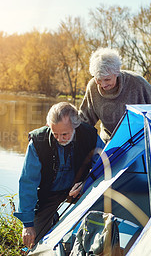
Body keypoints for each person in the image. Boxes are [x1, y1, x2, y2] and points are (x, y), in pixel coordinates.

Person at [14, 102, 105, 249]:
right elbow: (27, 183)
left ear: (75, 126)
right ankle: (51, 219)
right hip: (48, 194)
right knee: (32, 243)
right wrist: (27, 224)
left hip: (79, 191)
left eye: (65, 134)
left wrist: (87, 182)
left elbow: (105, 166)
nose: (60, 138)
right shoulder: (38, 142)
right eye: (55, 133)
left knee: (95, 230)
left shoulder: (89, 135)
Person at [79, 47, 151, 143]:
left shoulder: (138, 83)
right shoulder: (92, 87)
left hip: (139, 142)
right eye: (98, 79)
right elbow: (84, 120)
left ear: (117, 73)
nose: (103, 84)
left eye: (107, 79)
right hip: (109, 143)